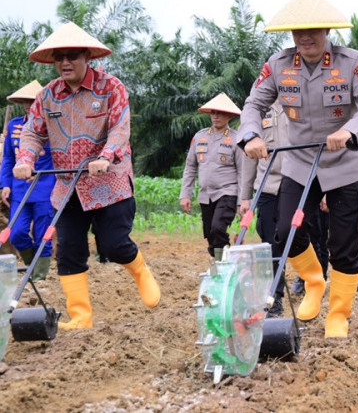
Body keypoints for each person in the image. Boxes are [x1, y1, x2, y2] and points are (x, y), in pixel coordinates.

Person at [238, 0, 358, 339]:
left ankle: (338, 314)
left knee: (345, 244)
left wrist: (350, 131)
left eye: (313, 30)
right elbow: (252, 105)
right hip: (300, 161)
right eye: (298, 32)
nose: (305, 38)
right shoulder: (278, 65)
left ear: (327, 32)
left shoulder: (352, 62)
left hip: (345, 163)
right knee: (285, 229)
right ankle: (314, 281)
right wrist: (251, 136)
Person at [13, 21, 160, 330]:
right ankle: (80, 318)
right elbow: (32, 133)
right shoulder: (47, 96)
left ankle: (141, 271)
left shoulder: (111, 88)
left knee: (113, 245)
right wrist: (25, 160)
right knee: (68, 250)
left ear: (87, 57)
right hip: (67, 186)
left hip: (110, 182)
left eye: (72, 56)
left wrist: (106, 156)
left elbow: (120, 129)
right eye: (59, 58)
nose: (65, 63)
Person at [1, 80, 55, 280]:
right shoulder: (14, 126)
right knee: (17, 233)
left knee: (43, 234)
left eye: (31, 101)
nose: (28, 105)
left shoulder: (53, 127)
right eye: (25, 102)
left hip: (45, 187)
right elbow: (8, 158)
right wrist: (5, 185)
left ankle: (39, 275)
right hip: (19, 189)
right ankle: (32, 265)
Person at [180, 93, 243, 261]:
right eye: (213, 113)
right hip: (205, 195)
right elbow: (190, 167)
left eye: (220, 113)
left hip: (227, 192)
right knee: (209, 233)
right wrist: (185, 195)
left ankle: (224, 262)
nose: (215, 116)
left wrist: (242, 200)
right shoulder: (199, 137)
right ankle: (221, 261)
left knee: (218, 228)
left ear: (229, 116)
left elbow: (242, 172)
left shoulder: (236, 139)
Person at [240, 101, 288, 317]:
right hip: (266, 184)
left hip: (294, 182)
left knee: (292, 235)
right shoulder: (258, 111)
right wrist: (245, 196)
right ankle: (275, 296)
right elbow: (249, 160)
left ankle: (308, 280)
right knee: (269, 241)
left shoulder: (298, 100)